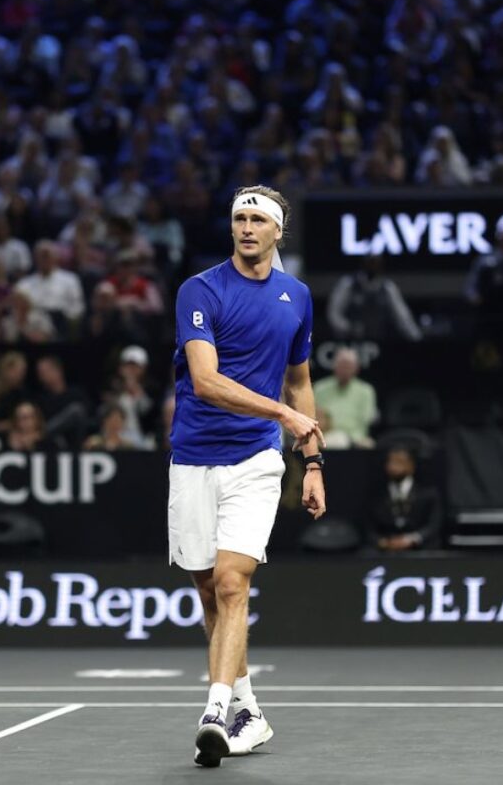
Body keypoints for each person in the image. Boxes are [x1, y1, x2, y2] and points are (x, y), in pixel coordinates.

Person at [169, 185, 323, 767]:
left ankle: (213, 712)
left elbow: (300, 380)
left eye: (259, 219)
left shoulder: (298, 296)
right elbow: (205, 381)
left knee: (234, 583)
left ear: (278, 231)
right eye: (239, 217)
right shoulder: (199, 290)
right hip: (192, 457)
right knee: (209, 589)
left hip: (257, 458)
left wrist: (312, 461)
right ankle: (248, 708)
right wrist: (282, 411)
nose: (247, 226)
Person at [326, 255, 422, 341]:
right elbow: (334, 315)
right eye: (371, 262)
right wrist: (349, 328)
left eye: (376, 263)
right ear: (364, 263)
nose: (373, 266)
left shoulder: (387, 287)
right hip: (350, 341)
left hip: (379, 340)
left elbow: (403, 317)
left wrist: (417, 339)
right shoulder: (348, 284)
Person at [370, 446, 442, 551]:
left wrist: (411, 539)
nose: (394, 467)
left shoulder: (428, 493)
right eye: (391, 462)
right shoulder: (377, 494)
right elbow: (369, 527)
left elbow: (434, 524)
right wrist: (383, 542)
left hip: (421, 550)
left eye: (399, 462)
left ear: (411, 466)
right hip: (385, 549)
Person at [312, 348, 378, 448]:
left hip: (357, 439)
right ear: (334, 367)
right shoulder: (320, 388)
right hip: (326, 437)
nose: (345, 370)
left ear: (356, 369)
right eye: (342, 366)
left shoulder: (366, 391)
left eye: (348, 367)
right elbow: (314, 416)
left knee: (369, 445)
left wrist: (353, 438)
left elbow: (367, 420)